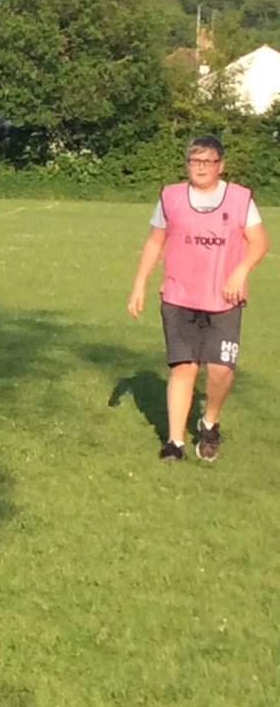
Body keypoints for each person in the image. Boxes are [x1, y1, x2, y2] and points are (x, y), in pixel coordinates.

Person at [127, 134, 268, 461]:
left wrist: (241, 270)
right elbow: (153, 243)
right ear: (187, 164)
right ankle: (174, 443)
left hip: (223, 299)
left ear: (221, 165)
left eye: (208, 161)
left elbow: (259, 242)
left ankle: (209, 421)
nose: (200, 167)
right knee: (183, 367)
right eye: (194, 160)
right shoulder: (171, 197)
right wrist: (139, 284)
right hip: (179, 296)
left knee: (220, 369)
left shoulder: (240, 199)